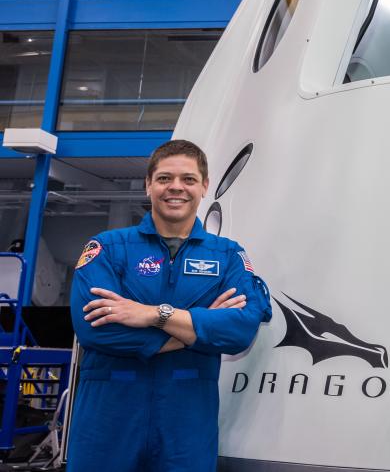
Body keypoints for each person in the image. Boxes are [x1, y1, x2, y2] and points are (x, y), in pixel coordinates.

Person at [67, 139, 271, 472]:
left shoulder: (228, 256)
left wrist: (152, 315)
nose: (176, 187)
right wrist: (200, 329)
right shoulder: (108, 248)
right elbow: (96, 331)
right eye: (164, 178)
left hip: (186, 424)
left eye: (188, 179)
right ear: (148, 185)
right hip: (107, 423)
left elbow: (239, 332)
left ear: (204, 186)